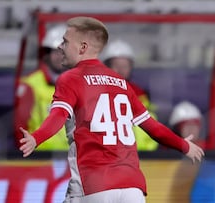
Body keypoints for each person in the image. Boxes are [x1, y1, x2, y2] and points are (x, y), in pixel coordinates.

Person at [18, 16, 204, 203]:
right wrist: (184, 145)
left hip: (94, 183)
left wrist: (36, 138)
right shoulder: (120, 82)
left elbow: (58, 115)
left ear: (82, 47)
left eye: (65, 41)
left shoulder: (71, 78)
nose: (60, 47)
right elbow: (153, 127)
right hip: (133, 187)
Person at [14, 24, 69, 151]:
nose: (60, 56)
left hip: (72, 157)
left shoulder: (80, 83)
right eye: (56, 51)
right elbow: (20, 127)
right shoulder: (30, 84)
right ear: (47, 54)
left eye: (64, 52)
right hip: (41, 157)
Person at [101, 39, 158, 151]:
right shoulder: (95, 94)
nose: (120, 70)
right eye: (116, 65)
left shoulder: (141, 96)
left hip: (143, 157)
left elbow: (152, 129)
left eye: (125, 66)